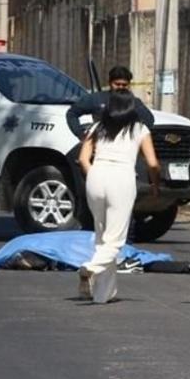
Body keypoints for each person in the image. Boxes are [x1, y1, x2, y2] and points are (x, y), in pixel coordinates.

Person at [77, 90, 161, 303]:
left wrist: (94, 175)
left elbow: (83, 159)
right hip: (122, 178)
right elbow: (152, 163)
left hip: (96, 175)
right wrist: (155, 184)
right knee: (115, 239)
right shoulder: (140, 129)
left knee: (102, 236)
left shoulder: (97, 127)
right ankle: (92, 267)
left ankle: (102, 294)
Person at [66, 65, 155, 140]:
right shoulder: (97, 99)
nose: (120, 87)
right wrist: (81, 135)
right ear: (110, 83)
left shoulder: (134, 102)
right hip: (100, 146)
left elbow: (149, 121)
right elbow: (72, 113)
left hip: (125, 149)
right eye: (117, 84)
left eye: (124, 85)